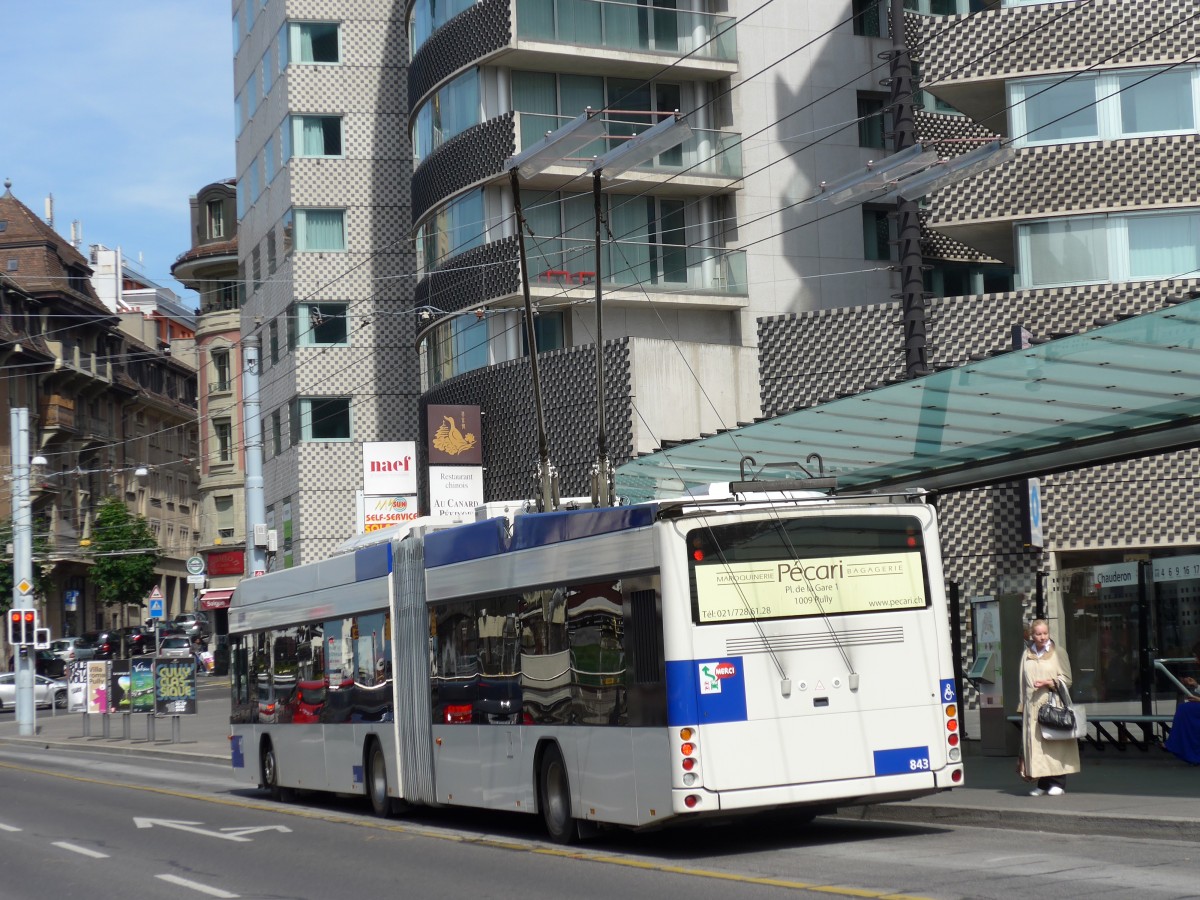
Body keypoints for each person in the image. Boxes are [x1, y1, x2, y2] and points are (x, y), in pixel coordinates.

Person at [1017, 618, 1080, 796]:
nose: (1043, 637)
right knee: (1037, 746)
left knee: (1055, 743)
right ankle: (1043, 783)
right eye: (1038, 634)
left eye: (1045, 633)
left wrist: (1049, 682)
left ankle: (1058, 782)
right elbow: (1022, 681)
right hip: (1032, 707)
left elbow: (1067, 679)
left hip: (1052, 704)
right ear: (1032, 635)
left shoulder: (1058, 652)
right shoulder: (1027, 654)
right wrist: (1022, 705)